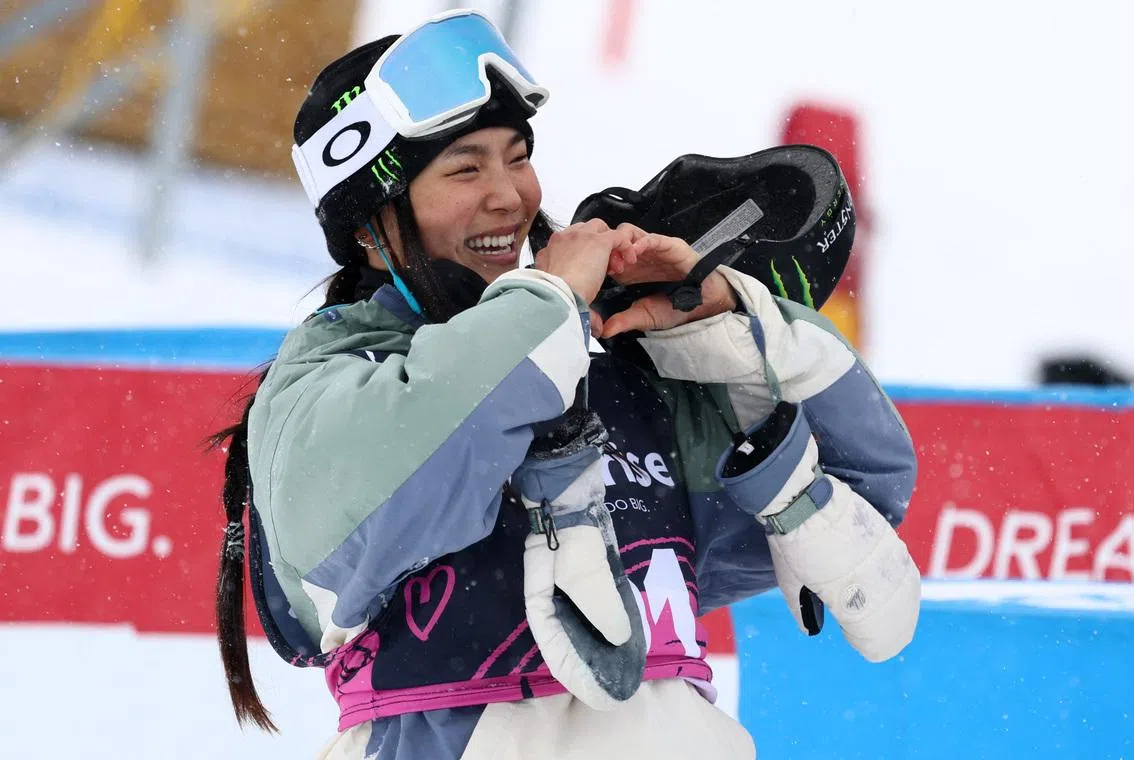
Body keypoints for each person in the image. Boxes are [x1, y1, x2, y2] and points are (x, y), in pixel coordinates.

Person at [212, 10, 921, 760]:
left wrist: (728, 324)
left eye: (517, 158)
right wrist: (549, 306)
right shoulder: (327, 380)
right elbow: (418, 455)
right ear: (368, 227)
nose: (508, 196)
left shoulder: (610, 376)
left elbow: (867, 486)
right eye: (464, 168)